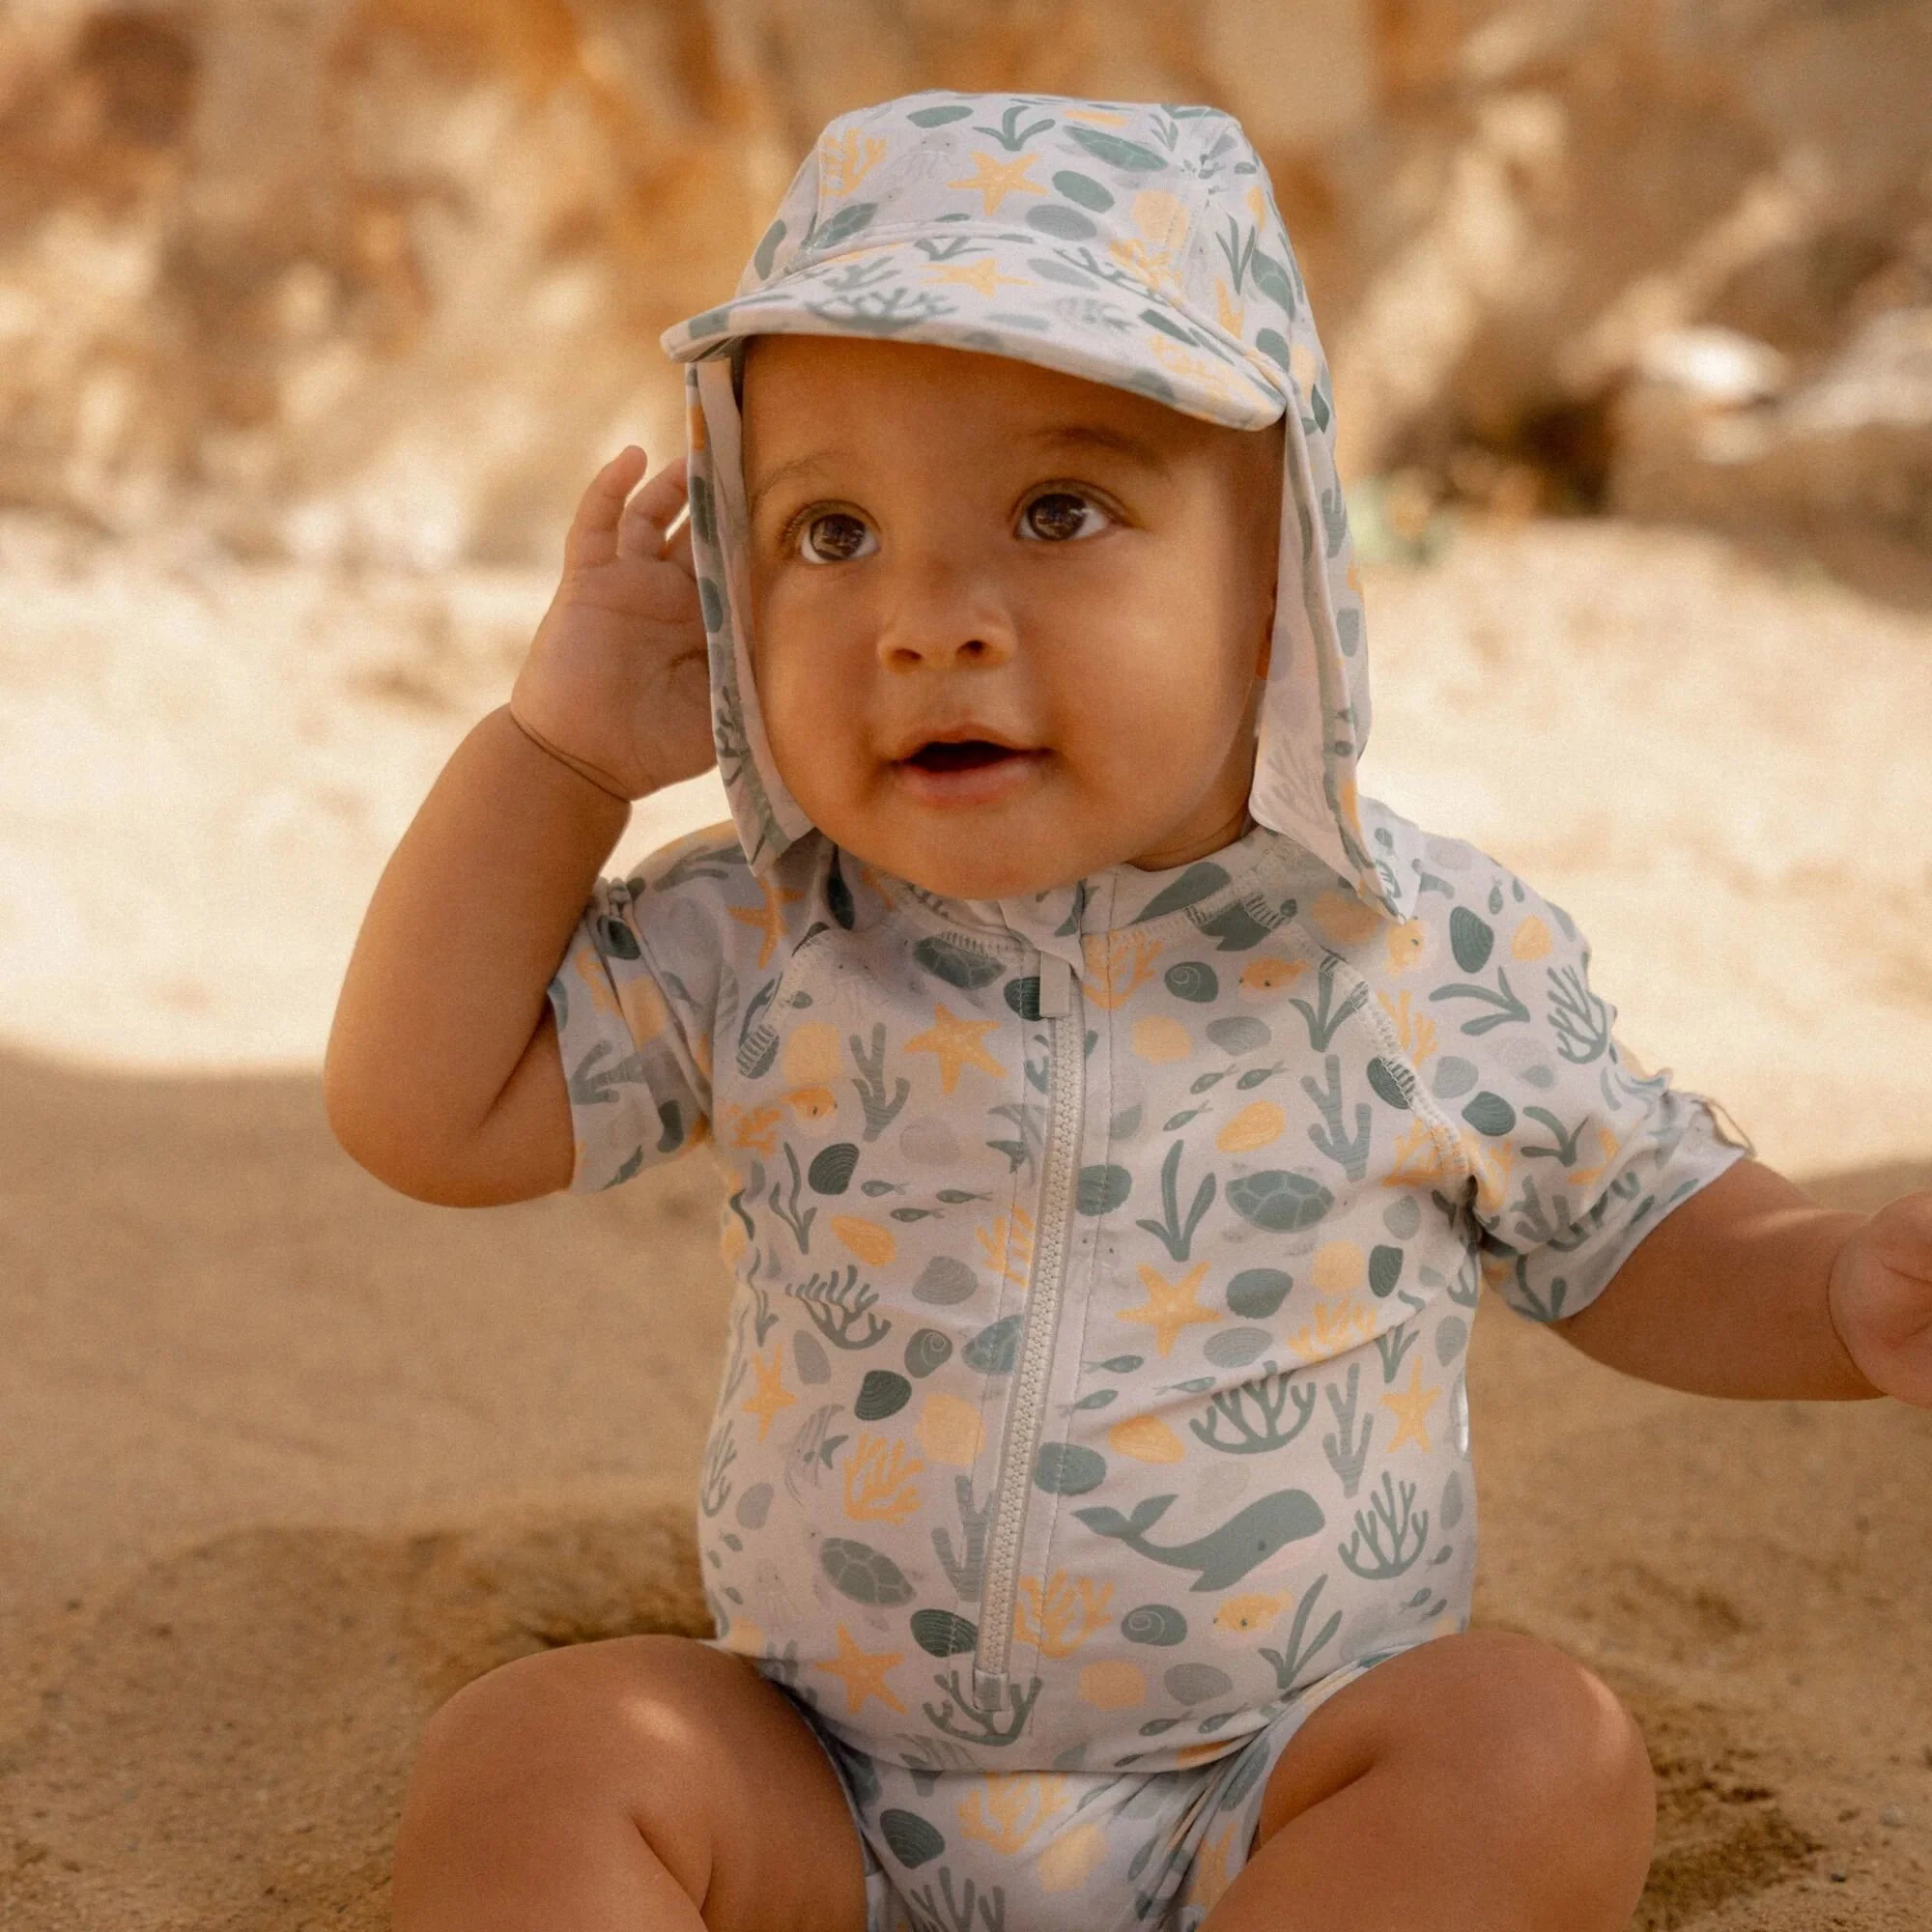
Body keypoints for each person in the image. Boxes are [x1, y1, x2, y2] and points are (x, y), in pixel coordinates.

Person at [324, 91, 1932, 1932]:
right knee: (545, 1748)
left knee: (1534, 1748)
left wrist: (1836, 1285)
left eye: (1059, 510)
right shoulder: (764, 933)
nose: (926, 619)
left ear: (1279, 588)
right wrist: (555, 760)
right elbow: (426, 1109)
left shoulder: (1413, 954)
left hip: (1279, 1781)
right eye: (831, 532)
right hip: (832, 1788)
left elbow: (1639, 1227)